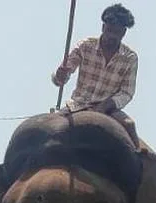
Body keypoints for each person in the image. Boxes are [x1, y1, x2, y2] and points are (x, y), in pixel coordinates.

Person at [51, 4, 141, 147]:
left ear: (123, 33)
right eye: (109, 30)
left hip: (110, 110)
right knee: (49, 129)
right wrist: (60, 76)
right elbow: (62, 77)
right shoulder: (85, 46)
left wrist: (105, 106)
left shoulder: (130, 58)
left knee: (129, 125)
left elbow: (127, 92)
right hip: (77, 105)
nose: (112, 36)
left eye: (117, 32)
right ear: (103, 27)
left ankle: (140, 157)